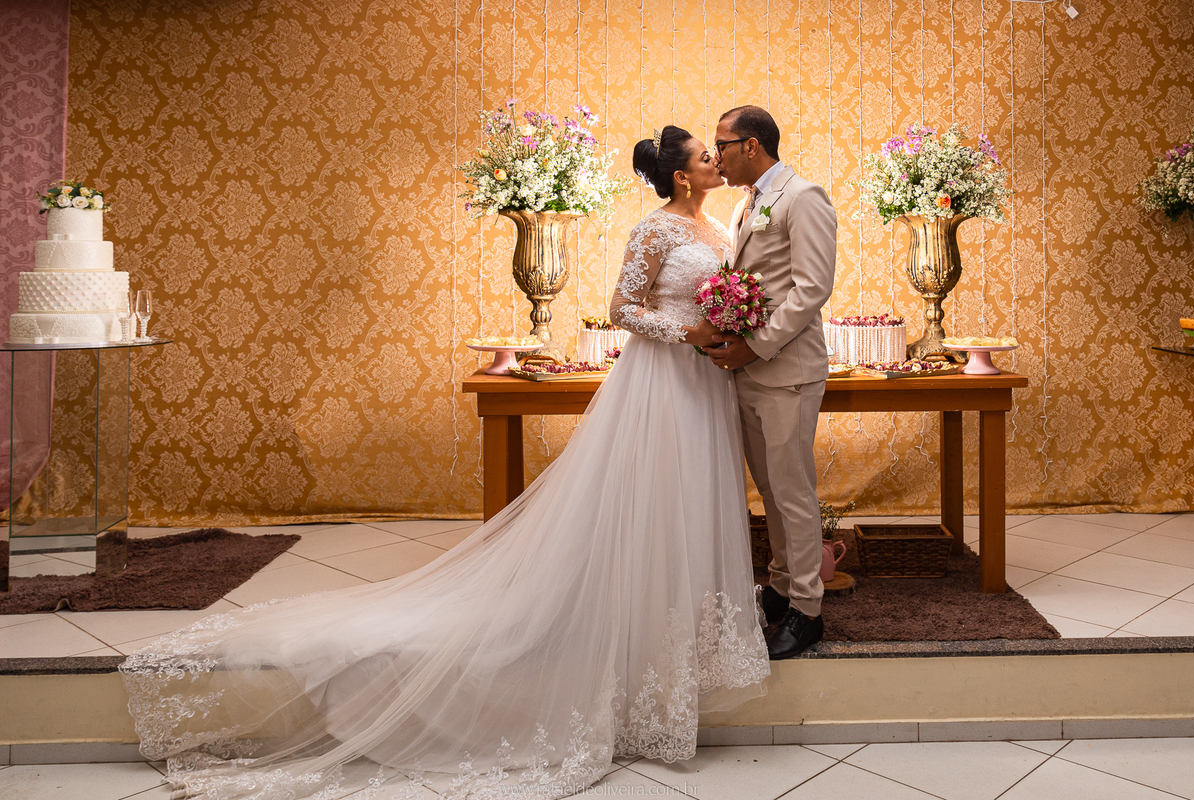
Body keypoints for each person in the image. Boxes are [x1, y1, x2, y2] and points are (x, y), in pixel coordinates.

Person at [119, 124, 769, 800]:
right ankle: (630, 644)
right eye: (705, 156)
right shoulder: (655, 229)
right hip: (662, 384)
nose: (715, 161)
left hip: (707, 383)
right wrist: (687, 330)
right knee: (653, 500)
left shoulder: (720, 226)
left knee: (692, 502)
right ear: (680, 175)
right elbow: (622, 309)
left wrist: (728, 326)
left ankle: (683, 646)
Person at [703, 105, 838, 660]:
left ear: (751, 146)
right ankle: (782, 586)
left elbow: (811, 289)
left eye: (721, 145)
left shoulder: (803, 197)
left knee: (792, 490)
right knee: (769, 490)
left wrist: (754, 346)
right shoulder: (746, 204)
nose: (715, 156)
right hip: (748, 372)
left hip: (787, 371)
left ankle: (808, 610)